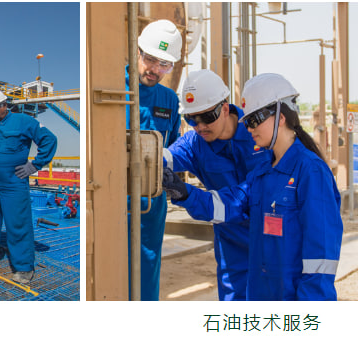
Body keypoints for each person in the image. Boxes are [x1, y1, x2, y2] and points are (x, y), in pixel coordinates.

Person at [163, 73, 343, 301]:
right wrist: (185, 193)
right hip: (259, 277)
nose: (249, 128)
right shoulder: (262, 172)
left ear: (280, 116)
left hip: (289, 286)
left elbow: (321, 254)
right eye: (247, 122)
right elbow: (230, 203)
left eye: (254, 120)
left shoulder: (310, 171)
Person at [164, 69, 270, 301]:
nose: (200, 126)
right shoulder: (195, 143)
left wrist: (188, 195)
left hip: (271, 242)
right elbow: (165, 158)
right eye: (191, 119)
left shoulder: (260, 135)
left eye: (206, 117)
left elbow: (247, 199)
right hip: (231, 248)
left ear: (224, 108)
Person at [0, 89, 57, 284]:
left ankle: (24, 267)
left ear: (4, 105)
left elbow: (49, 140)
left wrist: (34, 165)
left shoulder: (23, 121)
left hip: (14, 182)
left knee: (17, 223)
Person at [126, 19, 182, 300]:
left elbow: (174, 149)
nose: (156, 70)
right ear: (137, 51)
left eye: (165, 65)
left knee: (148, 267)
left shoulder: (169, 100)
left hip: (151, 203)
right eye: (151, 59)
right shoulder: (112, 89)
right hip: (114, 200)